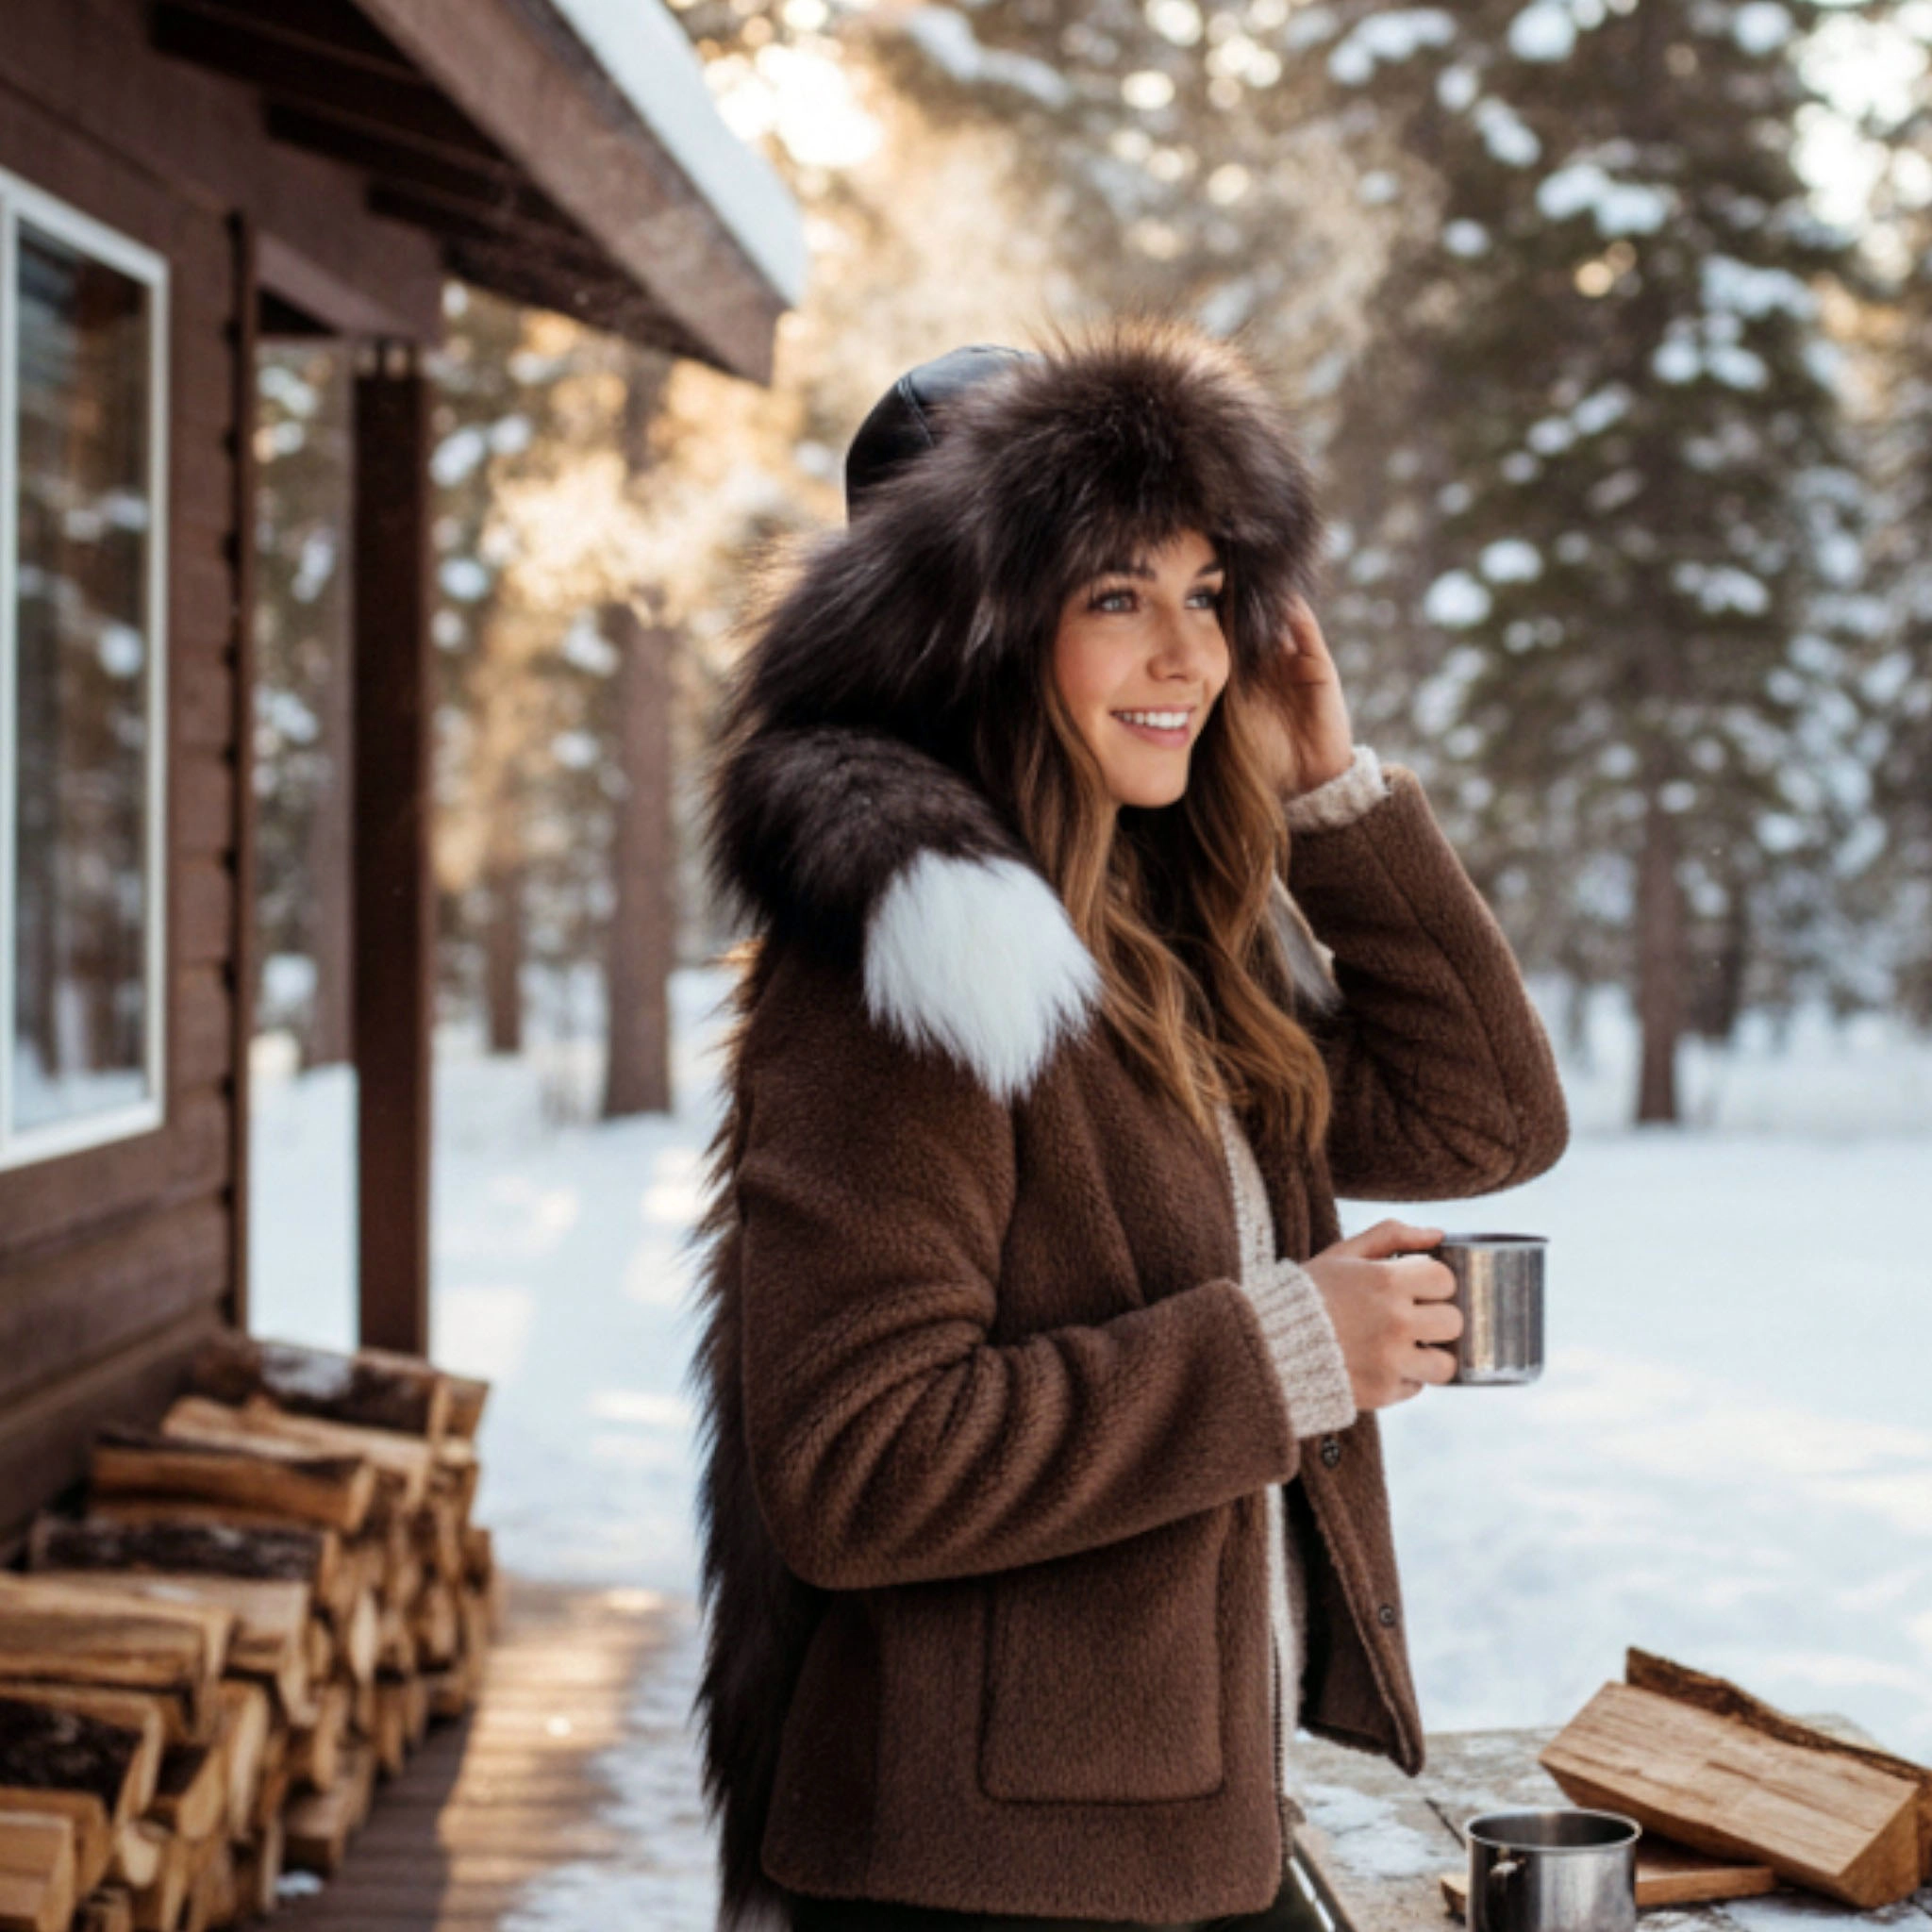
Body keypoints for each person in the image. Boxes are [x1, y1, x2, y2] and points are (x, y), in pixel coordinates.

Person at [686, 317, 1570, 1932]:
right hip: (983, 1887)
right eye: (1116, 598)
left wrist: (1327, 791)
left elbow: (1487, 1113)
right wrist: (1287, 1353)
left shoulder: (1149, 937)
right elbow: (857, 1467)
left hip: (1176, 1835)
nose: (1188, 655)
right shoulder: (911, 954)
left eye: (1205, 594)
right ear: (971, 630)